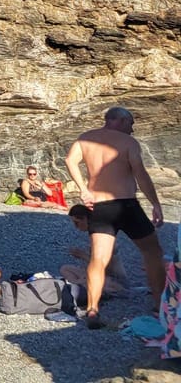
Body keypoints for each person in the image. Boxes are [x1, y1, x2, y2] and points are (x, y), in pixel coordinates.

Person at [64, 106, 166, 328]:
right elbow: (140, 174)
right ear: (118, 121)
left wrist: (83, 189)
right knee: (152, 252)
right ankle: (159, 305)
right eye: (130, 123)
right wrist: (155, 204)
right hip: (125, 205)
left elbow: (70, 161)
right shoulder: (128, 142)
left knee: (98, 259)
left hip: (99, 207)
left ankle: (92, 309)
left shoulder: (86, 138)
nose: (132, 128)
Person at [62, 204, 130, 298]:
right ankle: (80, 284)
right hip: (97, 274)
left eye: (77, 223)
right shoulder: (93, 232)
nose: (76, 227)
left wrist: (82, 255)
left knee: (105, 284)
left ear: (85, 219)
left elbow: (106, 266)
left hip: (113, 277)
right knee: (65, 268)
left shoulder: (100, 234)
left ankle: (80, 284)